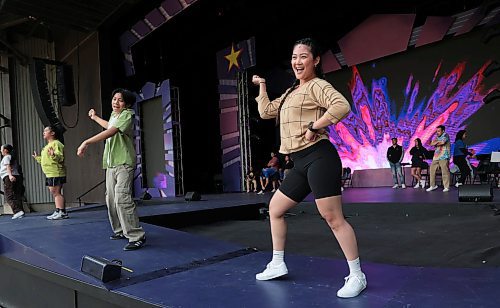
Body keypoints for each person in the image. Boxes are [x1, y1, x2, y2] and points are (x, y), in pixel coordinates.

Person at [252, 38, 366, 298]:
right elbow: (267, 111)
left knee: (332, 218)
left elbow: (342, 105)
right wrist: (262, 86)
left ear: (315, 61)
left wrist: (315, 126)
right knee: (275, 209)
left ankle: (357, 274)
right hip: (299, 162)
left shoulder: (317, 85)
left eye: (304, 56)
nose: (297, 61)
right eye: (294, 57)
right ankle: (277, 263)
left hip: (319, 157)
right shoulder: (291, 92)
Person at [77, 88, 146, 251]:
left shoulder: (127, 114)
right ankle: (121, 230)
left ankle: (136, 236)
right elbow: (109, 125)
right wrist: (94, 118)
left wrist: (86, 142)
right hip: (111, 164)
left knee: (122, 199)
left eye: (120, 100)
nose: (116, 102)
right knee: (111, 199)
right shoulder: (115, 116)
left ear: (127, 104)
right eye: (114, 99)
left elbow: (112, 131)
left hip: (124, 163)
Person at [33, 126, 68, 220]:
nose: (43, 132)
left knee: (56, 192)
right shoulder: (47, 146)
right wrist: (38, 158)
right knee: (54, 192)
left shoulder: (56, 143)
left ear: (52, 133)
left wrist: (54, 155)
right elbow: (45, 160)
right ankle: (58, 210)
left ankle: (62, 211)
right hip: (49, 173)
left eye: (46, 131)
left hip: (55, 172)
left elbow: (60, 157)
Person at [1, 144, 25, 219]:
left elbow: (8, 167)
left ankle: (17, 211)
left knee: (9, 196)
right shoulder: (12, 157)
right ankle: (20, 211)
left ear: (5, 150)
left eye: (1, 149)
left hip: (9, 177)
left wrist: (10, 175)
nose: (0, 151)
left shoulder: (6, 157)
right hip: (16, 176)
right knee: (16, 195)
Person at [426, 125, 451, 192]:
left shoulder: (446, 135)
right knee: (431, 170)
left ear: (443, 131)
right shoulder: (437, 137)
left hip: (444, 156)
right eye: (437, 131)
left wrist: (436, 143)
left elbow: (443, 142)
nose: (437, 132)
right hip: (436, 156)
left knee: (444, 171)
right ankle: (432, 186)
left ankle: (446, 187)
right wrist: (437, 143)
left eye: (439, 131)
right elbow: (431, 144)